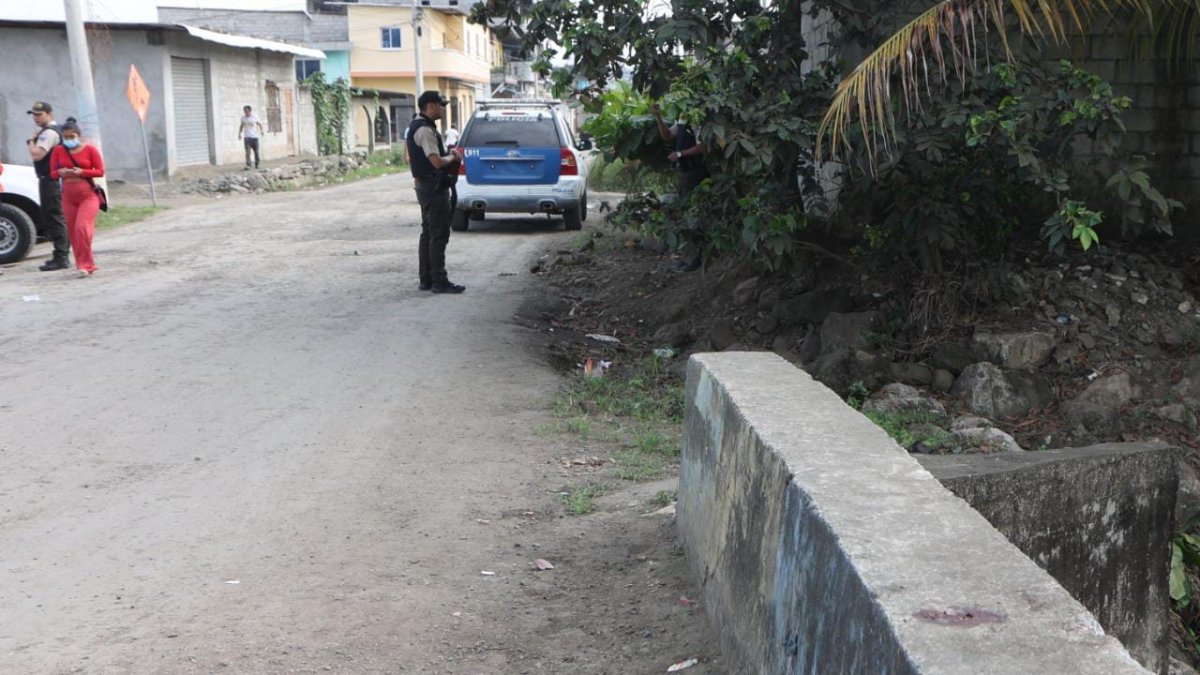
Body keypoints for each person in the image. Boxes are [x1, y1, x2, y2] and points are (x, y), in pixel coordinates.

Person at [406, 90, 464, 294]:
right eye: (440, 105)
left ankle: (427, 279)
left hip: (426, 185)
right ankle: (439, 280)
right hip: (433, 187)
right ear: (430, 106)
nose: (442, 109)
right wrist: (453, 157)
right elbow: (436, 161)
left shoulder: (419, 126)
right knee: (438, 233)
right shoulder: (425, 130)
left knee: (429, 232)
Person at [653, 102, 709, 272]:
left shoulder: (697, 118)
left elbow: (704, 146)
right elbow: (668, 135)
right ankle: (690, 257)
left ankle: (697, 258)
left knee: (694, 213)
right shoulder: (683, 117)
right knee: (688, 213)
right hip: (685, 171)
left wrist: (679, 154)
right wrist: (658, 117)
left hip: (695, 170)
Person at [48, 118, 104, 277]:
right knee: (73, 231)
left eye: (71, 136)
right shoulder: (58, 151)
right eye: (65, 137)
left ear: (78, 135)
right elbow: (52, 173)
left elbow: (100, 171)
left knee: (82, 228)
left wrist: (82, 172)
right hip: (68, 195)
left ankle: (88, 264)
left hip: (87, 194)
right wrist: (60, 173)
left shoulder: (90, 150)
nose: (68, 140)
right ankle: (82, 265)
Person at [26, 101, 71, 271]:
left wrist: (30, 141)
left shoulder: (49, 133)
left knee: (54, 216)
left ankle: (61, 256)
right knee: (56, 216)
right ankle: (62, 254)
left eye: (39, 114)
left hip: (50, 180)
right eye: (34, 114)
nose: (36, 118)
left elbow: (37, 155)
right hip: (53, 179)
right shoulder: (53, 131)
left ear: (49, 114)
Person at [238, 105, 264, 169]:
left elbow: (259, 124)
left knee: (256, 152)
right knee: (247, 152)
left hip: (254, 137)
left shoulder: (254, 117)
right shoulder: (243, 118)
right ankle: (248, 165)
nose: (246, 113)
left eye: (247, 111)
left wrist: (262, 131)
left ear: (250, 111)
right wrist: (239, 133)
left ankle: (257, 164)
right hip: (247, 138)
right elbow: (241, 126)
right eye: (245, 111)